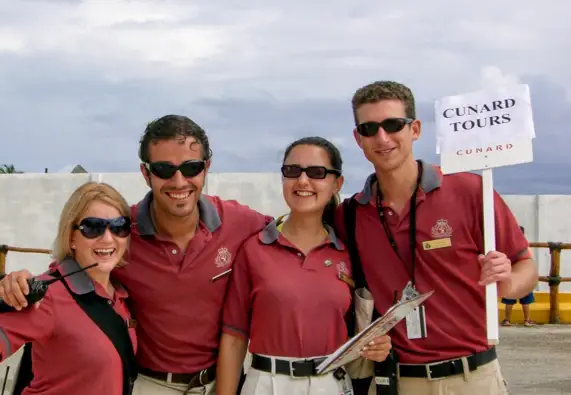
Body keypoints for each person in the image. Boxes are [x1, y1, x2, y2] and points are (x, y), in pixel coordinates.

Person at [0, 115, 273, 394]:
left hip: (221, 384)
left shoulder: (240, 221)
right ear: (146, 173)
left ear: (206, 168)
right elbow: (67, 273)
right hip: (148, 384)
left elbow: (292, 234)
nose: (179, 181)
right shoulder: (120, 232)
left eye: (191, 167)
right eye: (164, 169)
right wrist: (19, 282)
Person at [334, 80, 539, 395]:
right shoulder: (350, 214)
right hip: (398, 381)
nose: (382, 137)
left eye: (393, 125)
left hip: (474, 377)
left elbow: (525, 266)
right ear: (357, 138)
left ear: (414, 129)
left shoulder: (471, 191)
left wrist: (507, 280)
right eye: (369, 128)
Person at [0, 181, 138, 395]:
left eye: (119, 227)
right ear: (71, 237)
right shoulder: (50, 295)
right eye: (93, 228)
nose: (108, 238)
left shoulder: (122, 294)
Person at [216, 136, 392, 395]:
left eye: (317, 172)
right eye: (292, 171)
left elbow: (364, 325)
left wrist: (379, 346)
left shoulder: (349, 254)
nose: (302, 180)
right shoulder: (253, 250)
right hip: (266, 385)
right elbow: (234, 339)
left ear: (337, 183)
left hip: (330, 384)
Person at [502, 226, 537, 327]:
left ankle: (507, 320)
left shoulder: (508, 245)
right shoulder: (524, 246)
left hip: (511, 274)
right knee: (525, 300)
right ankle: (527, 320)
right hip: (524, 275)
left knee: (509, 300)